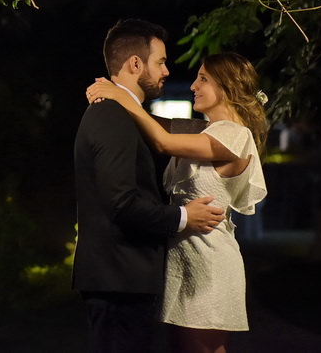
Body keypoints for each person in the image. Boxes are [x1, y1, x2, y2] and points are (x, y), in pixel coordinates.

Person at [86, 51, 269, 353]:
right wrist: (119, 102)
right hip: (187, 258)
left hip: (210, 260)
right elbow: (156, 125)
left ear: (227, 87)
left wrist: (119, 95)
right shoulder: (205, 131)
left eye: (203, 79)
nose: (193, 86)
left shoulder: (236, 135)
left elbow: (163, 141)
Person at [74, 19, 225, 353]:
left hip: (124, 278)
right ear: (135, 63)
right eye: (161, 61)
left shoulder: (121, 113)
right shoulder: (111, 115)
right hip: (118, 278)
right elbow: (122, 202)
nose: (167, 71)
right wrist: (184, 217)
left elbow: (167, 132)